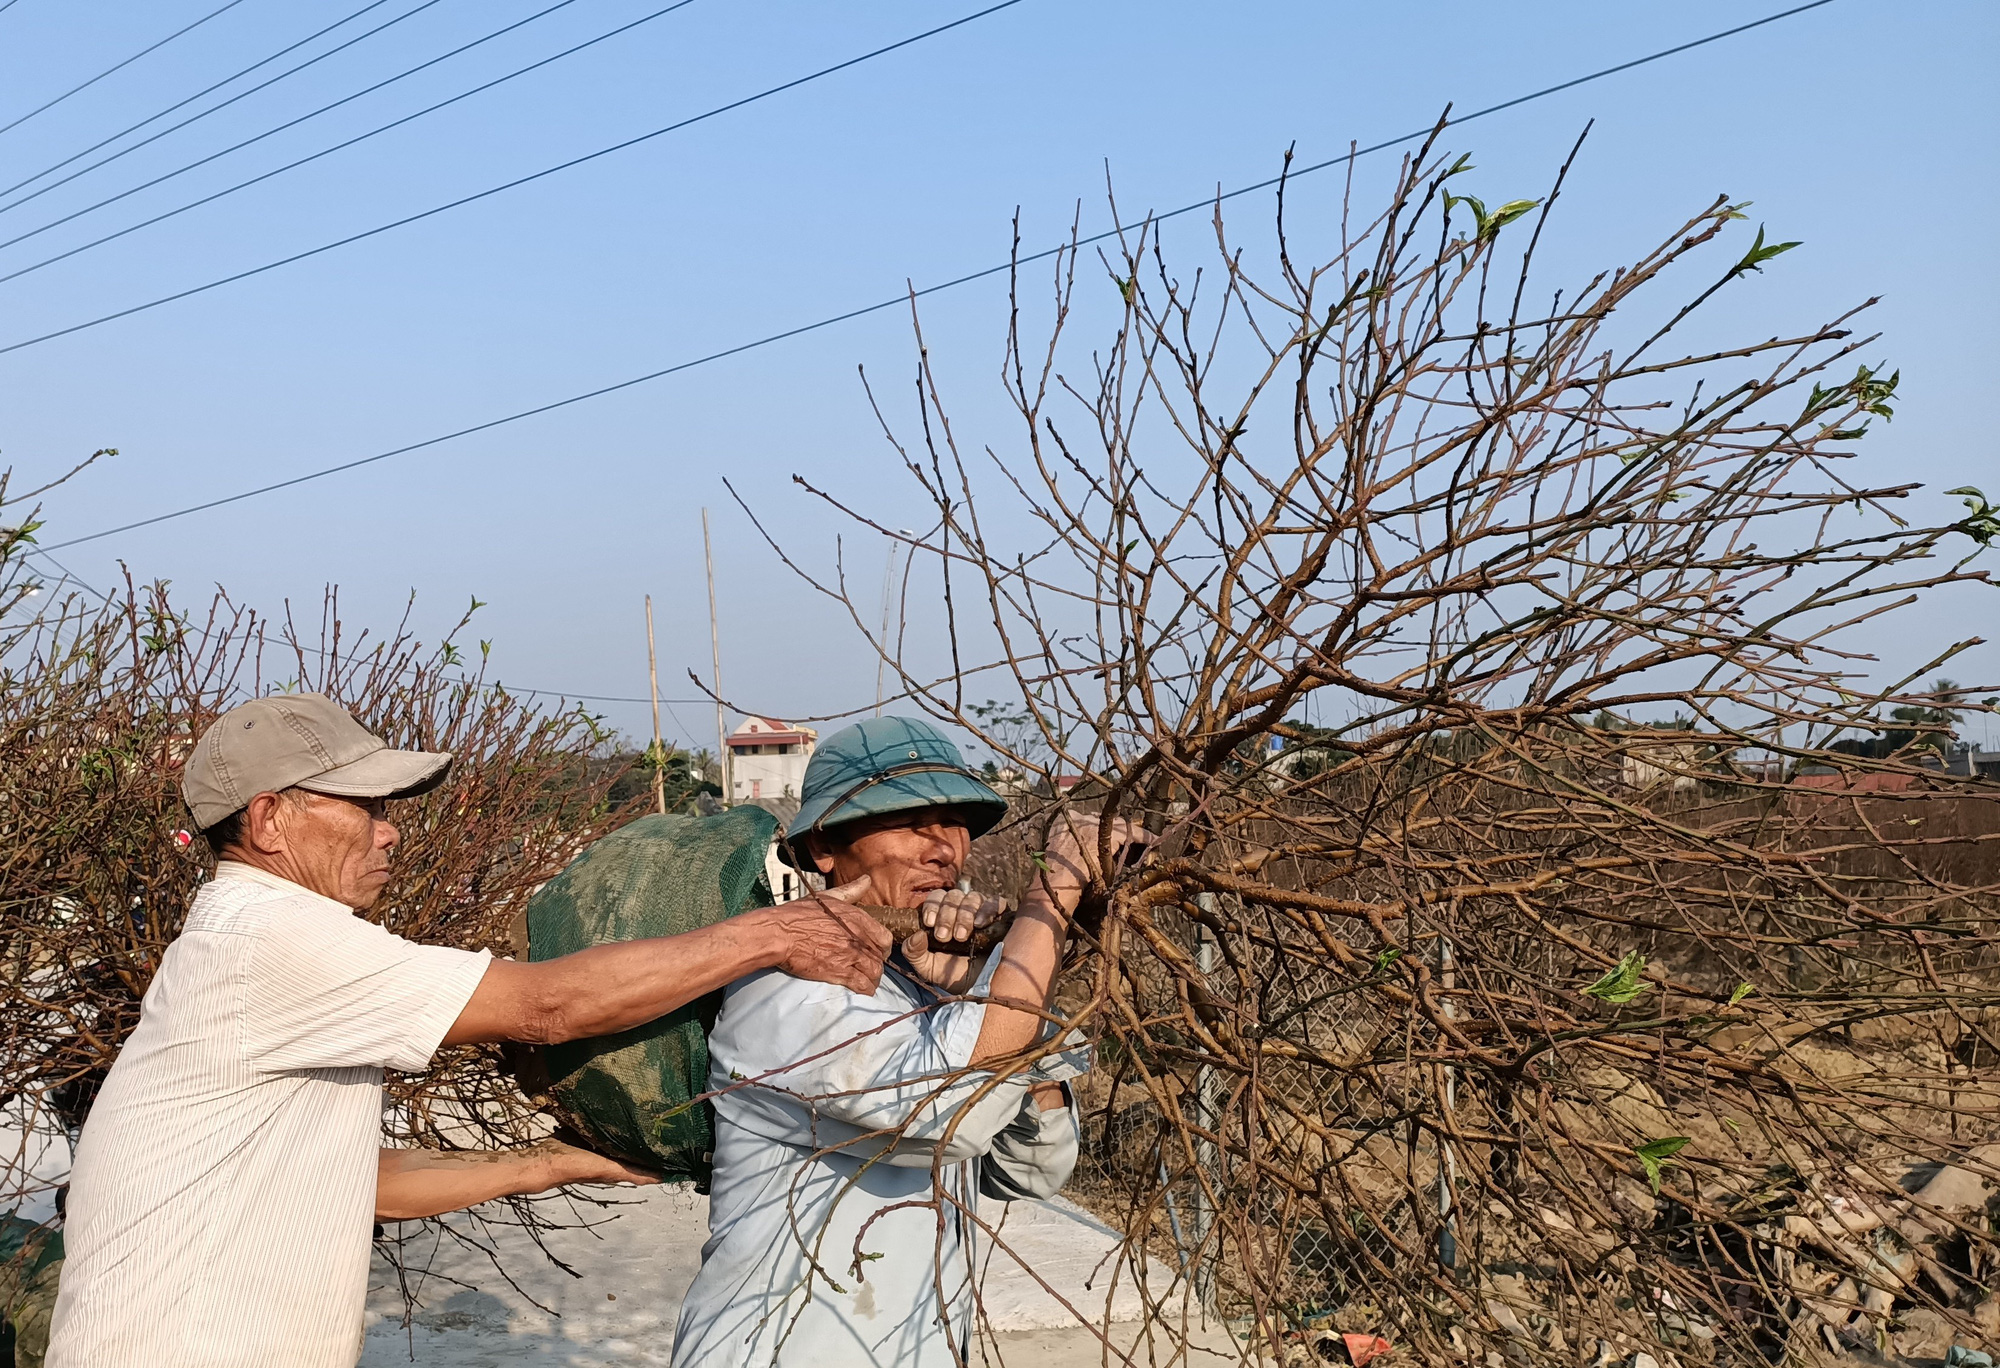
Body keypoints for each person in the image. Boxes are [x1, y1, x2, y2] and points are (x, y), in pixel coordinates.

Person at [47, 692, 895, 1368]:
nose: (391, 830)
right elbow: (549, 1006)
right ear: (269, 820)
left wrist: (549, 1166)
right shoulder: (269, 940)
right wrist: (773, 934)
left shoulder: (257, 942)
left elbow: (358, 1183)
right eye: (364, 806)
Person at [670, 717, 1133, 1368]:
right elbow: (950, 1115)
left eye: (954, 821)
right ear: (826, 848)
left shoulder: (916, 989)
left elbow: (1029, 1168)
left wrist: (979, 989)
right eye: (910, 820)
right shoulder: (785, 995)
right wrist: (1049, 897)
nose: (941, 846)